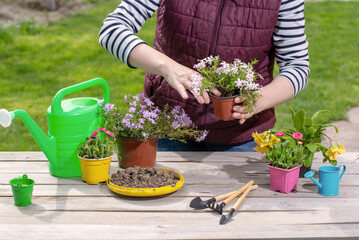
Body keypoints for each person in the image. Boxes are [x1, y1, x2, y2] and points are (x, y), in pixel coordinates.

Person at [99, 0, 309, 152]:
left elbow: (297, 66)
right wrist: (169, 68)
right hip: (165, 129)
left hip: (241, 137)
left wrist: (258, 101)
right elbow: (112, 30)